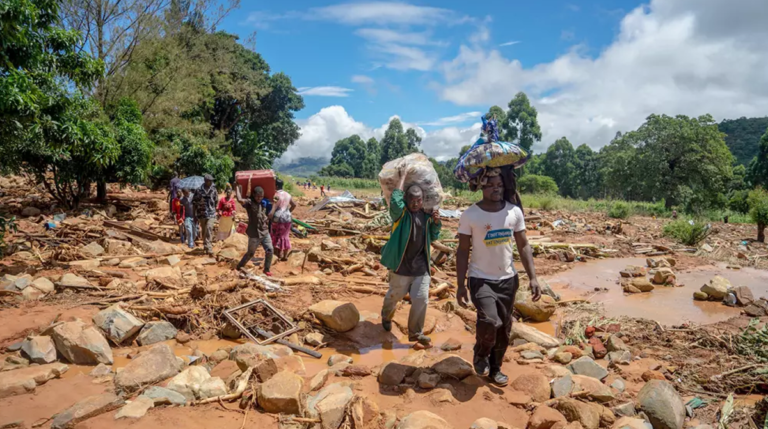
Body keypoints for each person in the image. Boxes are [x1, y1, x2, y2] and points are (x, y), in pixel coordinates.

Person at [456, 168, 541, 387]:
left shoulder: (514, 212)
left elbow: (523, 245)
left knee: (504, 328)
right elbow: (463, 251)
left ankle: (495, 369)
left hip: (507, 280)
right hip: (480, 279)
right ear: (481, 187)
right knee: (490, 320)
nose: (497, 188)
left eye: (500, 185)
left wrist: (533, 277)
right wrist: (460, 284)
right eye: (492, 184)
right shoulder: (470, 215)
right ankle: (480, 352)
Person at [380, 166, 442, 347]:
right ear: (407, 200)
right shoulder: (400, 215)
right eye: (412, 200)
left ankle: (416, 333)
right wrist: (404, 176)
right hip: (401, 266)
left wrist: (437, 222)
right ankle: (386, 315)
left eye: (419, 200)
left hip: (421, 266)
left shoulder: (426, 215)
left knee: (421, 298)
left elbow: (434, 235)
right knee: (395, 296)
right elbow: (396, 201)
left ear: (423, 201)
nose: (415, 203)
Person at [235, 185, 274, 276]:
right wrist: (236, 188)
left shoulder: (265, 202)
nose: (259, 198)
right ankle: (239, 266)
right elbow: (240, 200)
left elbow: (271, 212)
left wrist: (275, 203)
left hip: (264, 231)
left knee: (270, 250)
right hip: (254, 233)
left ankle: (266, 269)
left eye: (261, 196)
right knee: (250, 253)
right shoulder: (249, 203)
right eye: (257, 196)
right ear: (253, 195)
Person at [270, 178, 296, 261]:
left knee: (276, 236)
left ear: (276, 185)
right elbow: (294, 205)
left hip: (278, 219)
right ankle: (285, 256)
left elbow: (274, 207)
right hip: (287, 218)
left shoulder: (276, 195)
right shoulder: (288, 194)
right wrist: (288, 212)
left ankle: (276, 255)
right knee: (285, 236)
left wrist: (269, 216)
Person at [193, 174, 218, 255]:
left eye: (211, 181)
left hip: (211, 213)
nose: (211, 182)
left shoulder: (214, 190)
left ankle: (209, 247)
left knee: (209, 229)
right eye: (209, 181)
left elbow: (216, 201)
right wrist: (194, 215)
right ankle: (205, 244)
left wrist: (215, 210)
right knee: (204, 231)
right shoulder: (198, 190)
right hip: (202, 214)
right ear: (206, 181)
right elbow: (194, 203)